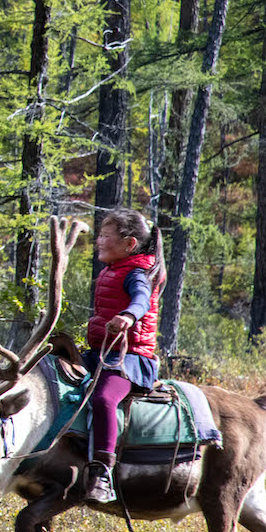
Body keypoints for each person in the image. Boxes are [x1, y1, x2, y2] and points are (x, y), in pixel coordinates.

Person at [80, 208, 162, 504]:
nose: (99, 241)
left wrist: (129, 316)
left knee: (104, 399)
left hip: (130, 360)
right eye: (99, 235)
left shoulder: (138, 274)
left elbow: (141, 299)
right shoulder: (112, 270)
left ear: (129, 244)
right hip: (101, 353)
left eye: (105, 236)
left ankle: (102, 473)